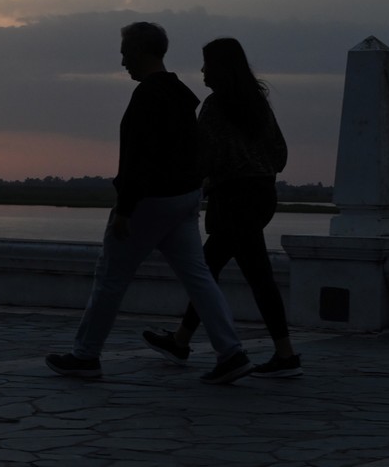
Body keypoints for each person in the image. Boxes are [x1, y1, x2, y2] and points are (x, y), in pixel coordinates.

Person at [46, 21, 253, 385]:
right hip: (185, 200)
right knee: (199, 278)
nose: (123, 60)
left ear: (141, 51)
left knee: (110, 278)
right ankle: (231, 351)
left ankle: (85, 355)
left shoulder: (147, 97)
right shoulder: (181, 94)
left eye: (126, 52)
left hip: (151, 202)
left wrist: (125, 210)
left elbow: (138, 159)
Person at [142, 37, 302, 378]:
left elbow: (203, 157)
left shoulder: (215, 106)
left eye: (206, 65)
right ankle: (183, 341)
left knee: (230, 274)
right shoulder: (257, 104)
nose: (201, 71)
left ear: (220, 68)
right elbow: (280, 155)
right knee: (215, 270)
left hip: (234, 199)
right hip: (260, 196)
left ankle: (262, 355)